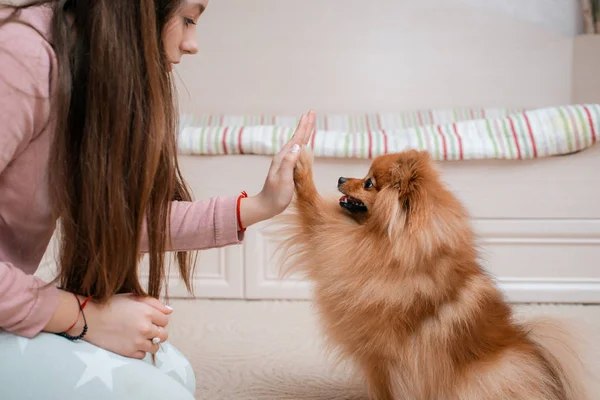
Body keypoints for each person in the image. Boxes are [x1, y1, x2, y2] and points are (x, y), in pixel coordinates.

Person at [0, 1, 315, 399]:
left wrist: (261, 204)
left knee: (175, 374)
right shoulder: (19, 60)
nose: (193, 44)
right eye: (187, 19)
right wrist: (80, 314)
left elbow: (123, 219)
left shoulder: (84, 70)